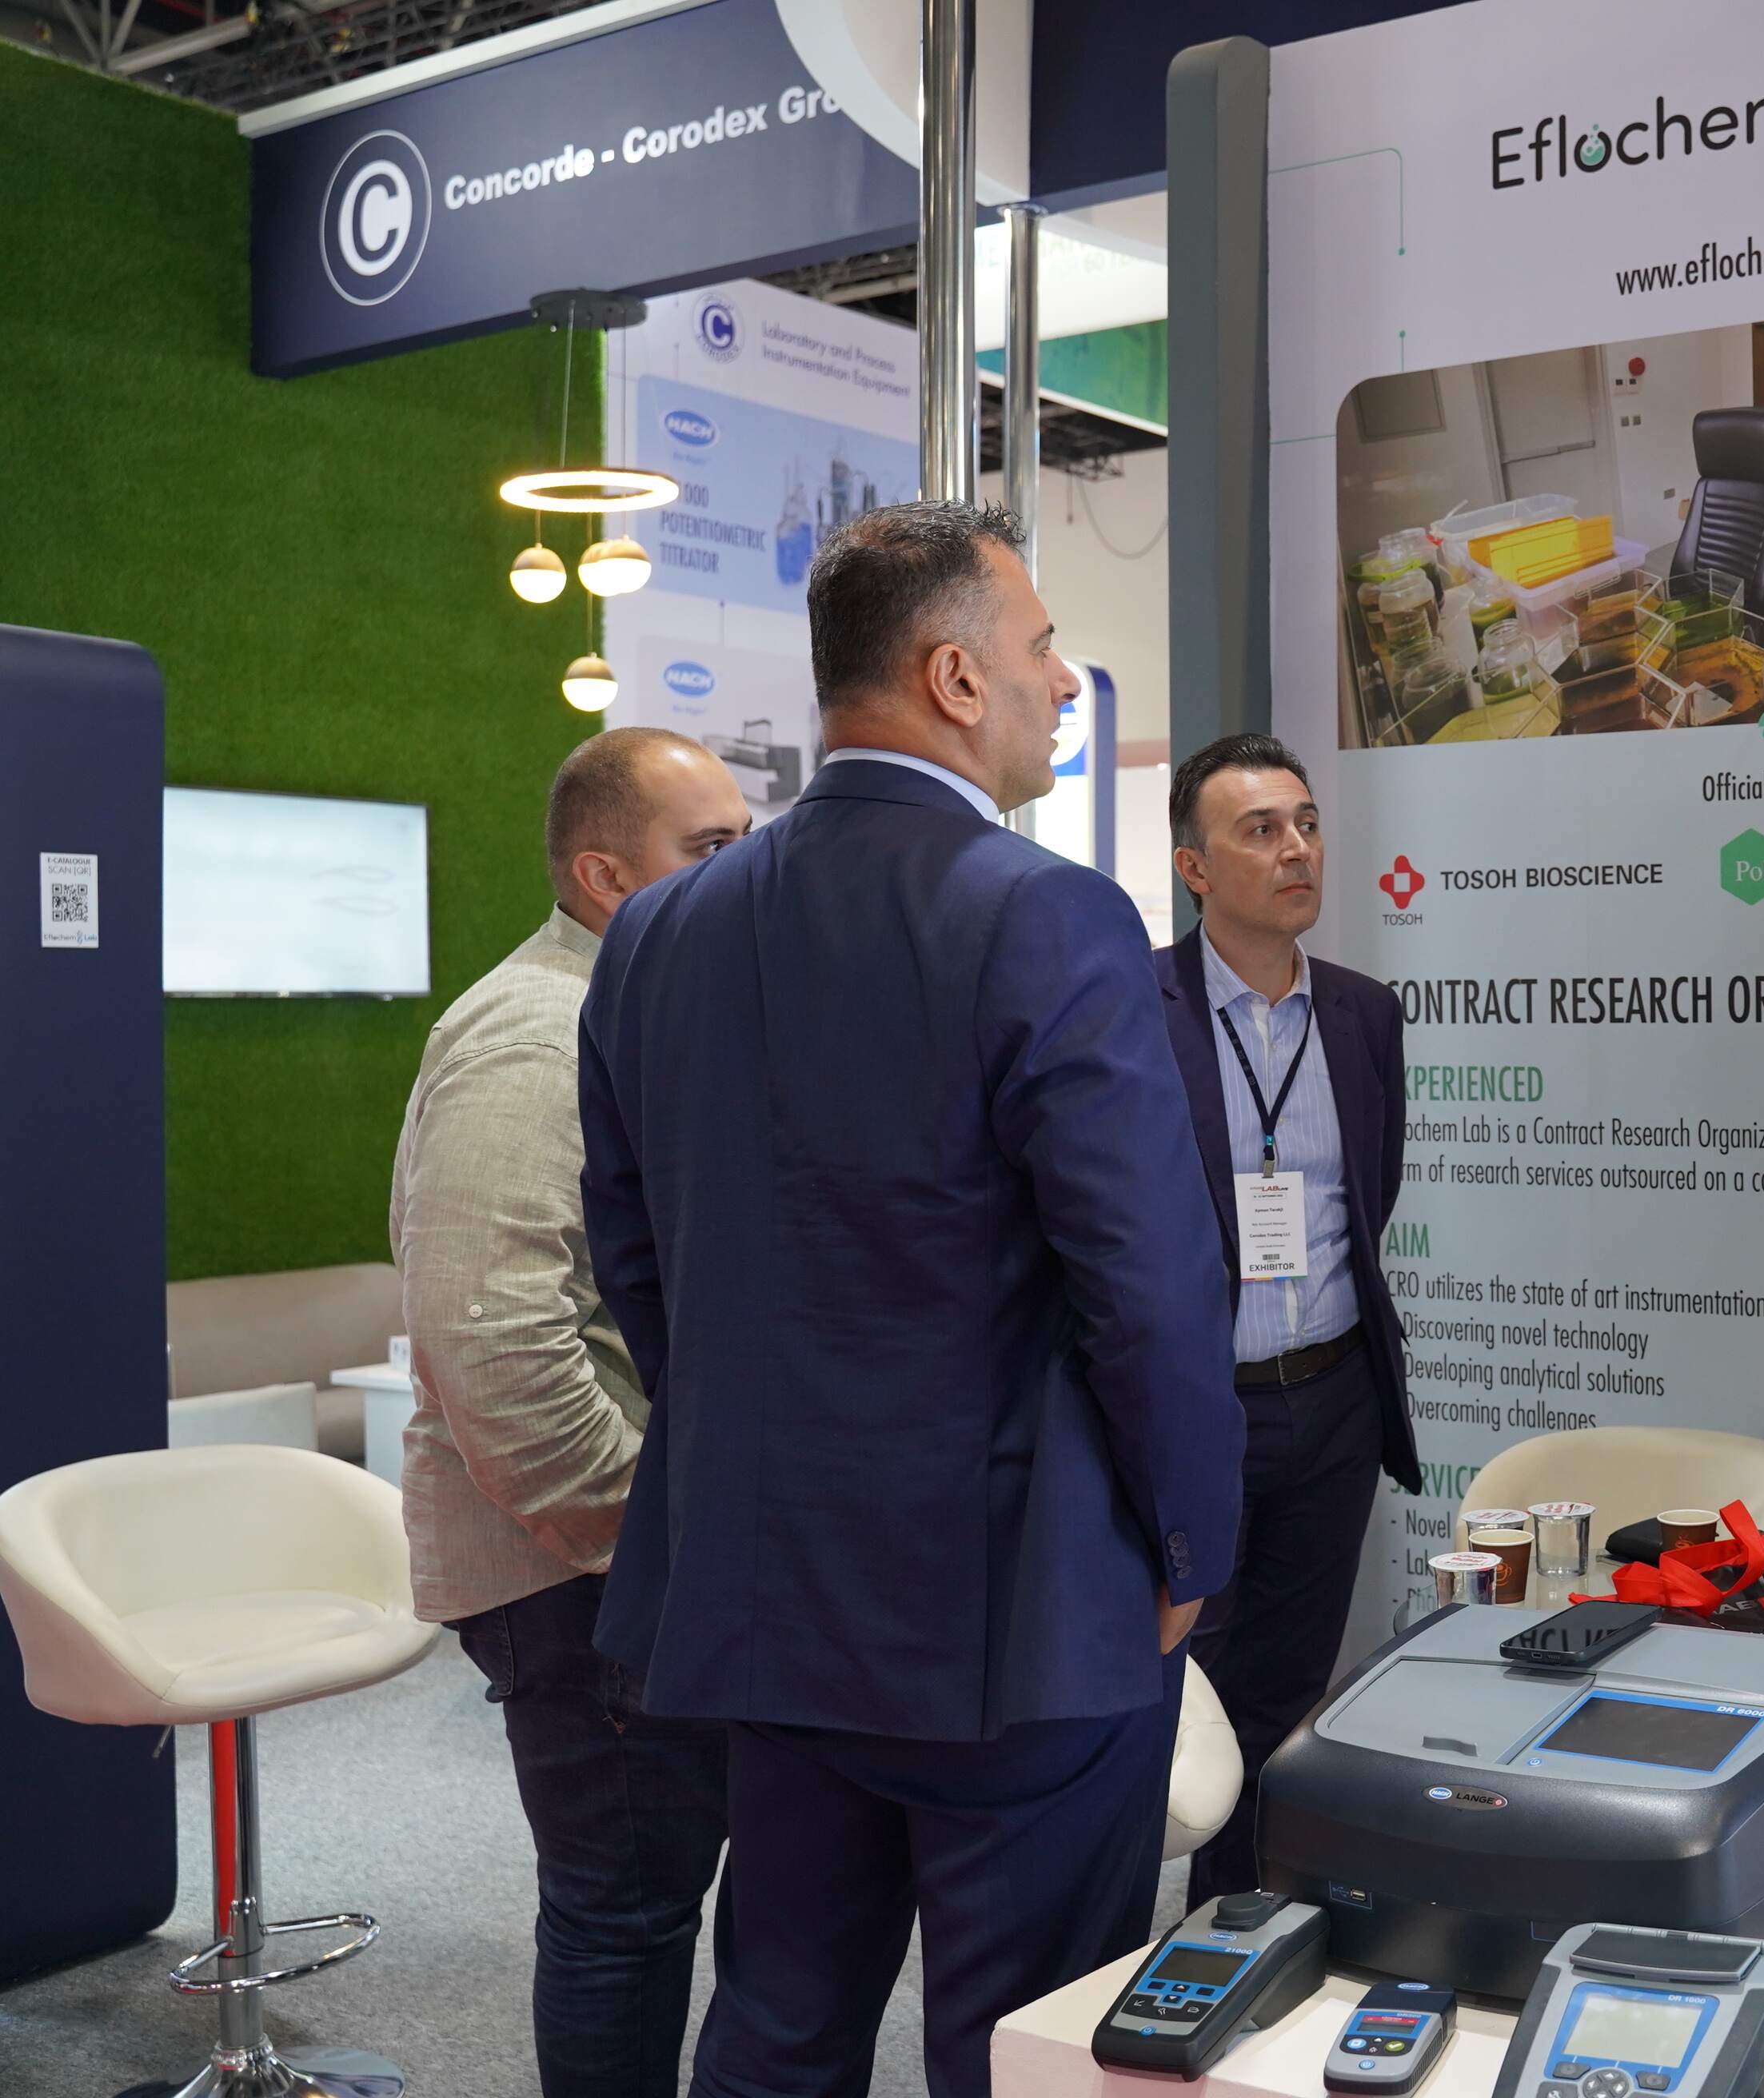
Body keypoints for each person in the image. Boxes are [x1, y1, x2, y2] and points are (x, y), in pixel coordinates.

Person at [578, 501, 1245, 2098]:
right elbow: (1148, 1287)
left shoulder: (657, 931)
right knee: (1023, 2045)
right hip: (1020, 1618)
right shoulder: (1050, 913)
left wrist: (754, 1452)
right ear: (953, 677)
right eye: (1042, 648)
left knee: (779, 2024)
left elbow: (639, 1259)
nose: (1064, 681)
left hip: (767, 1597)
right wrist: (1188, 1545)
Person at [391, 727, 748, 2098]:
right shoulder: (539, 1033)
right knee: (624, 1913)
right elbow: (490, 1336)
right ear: (605, 875)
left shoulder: (635, 1005)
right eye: (708, 849)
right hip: (583, 1577)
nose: (742, 875)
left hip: (638, 1562)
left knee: (649, 1901)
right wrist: (630, 1528)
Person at [1155, 732, 1418, 1902]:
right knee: (1186, 1696)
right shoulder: (1135, 1008)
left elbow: (1370, 1194)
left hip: (1333, 1399)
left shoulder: (1364, 1014)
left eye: (1306, 822)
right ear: (1195, 868)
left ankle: (1238, 1928)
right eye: (1260, 830)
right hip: (1198, 1413)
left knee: (1286, 1697)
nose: (1297, 848)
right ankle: (1138, 1941)